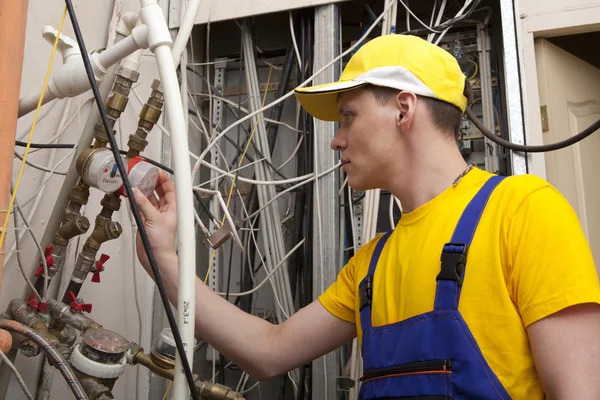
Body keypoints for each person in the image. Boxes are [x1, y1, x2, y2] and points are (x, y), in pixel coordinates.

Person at [133, 34, 600, 398]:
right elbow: (269, 352)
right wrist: (165, 263)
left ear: (403, 109)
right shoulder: (372, 265)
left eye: (348, 116)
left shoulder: (522, 210)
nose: (336, 140)